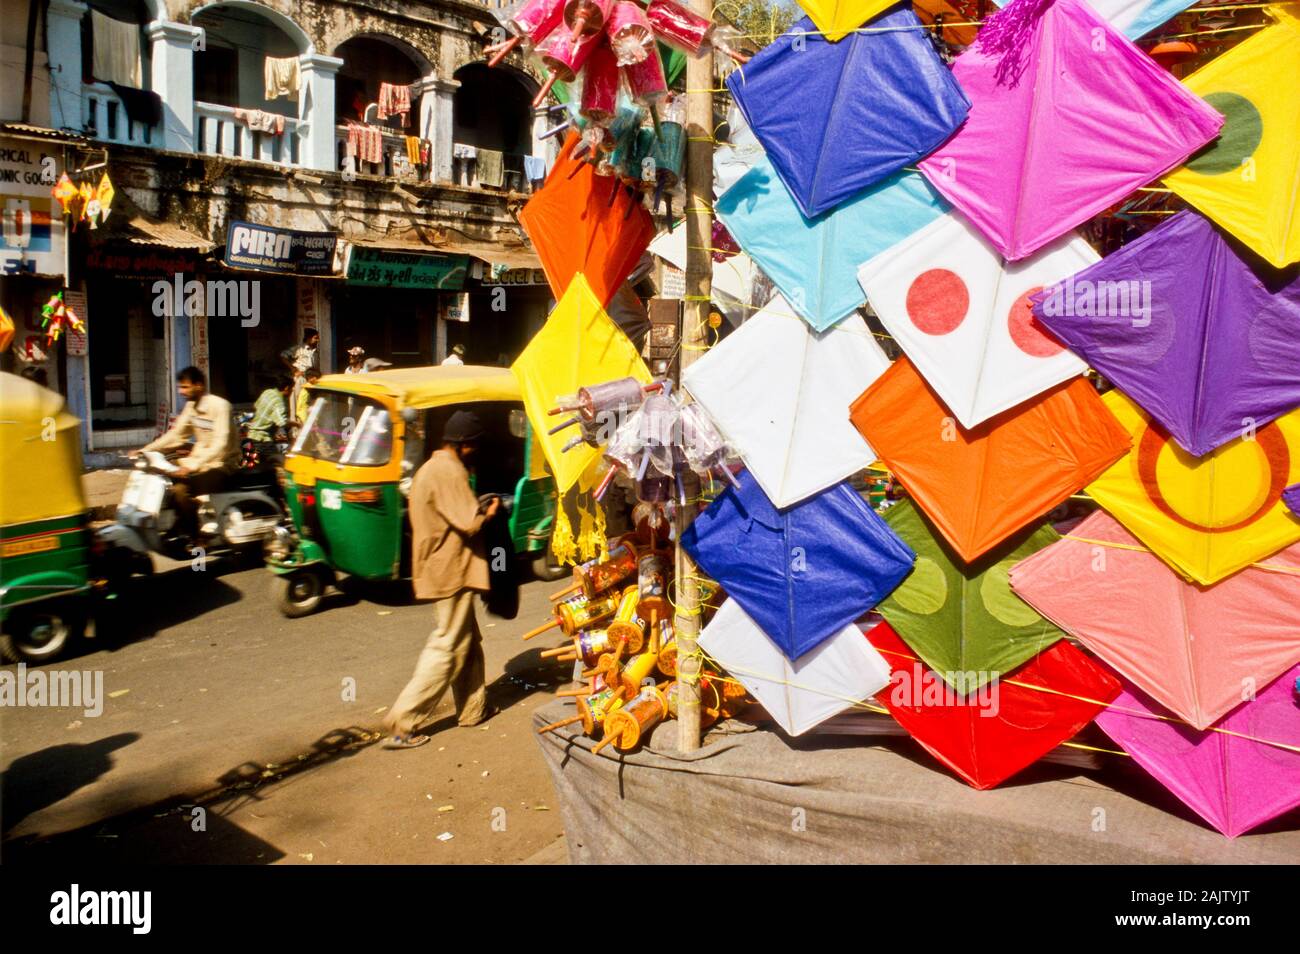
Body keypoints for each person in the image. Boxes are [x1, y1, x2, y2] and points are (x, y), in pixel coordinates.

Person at [383, 410, 501, 749]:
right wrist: (489, 511)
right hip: (452, 569)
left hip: (444, 565)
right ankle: (401, 723)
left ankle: (472, 710)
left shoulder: (429, 468)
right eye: (474, 446)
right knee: (447, 645)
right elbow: (469, 522)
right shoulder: (449, 471)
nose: (476, 452)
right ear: (464, 445)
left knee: (467, 641)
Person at [133, 366, 240, 539]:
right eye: (180, 387)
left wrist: (192, 466)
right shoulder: (191, 407)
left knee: (181, 491)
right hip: (199, 463)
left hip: (223, 465)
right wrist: (145, 450)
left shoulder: (221, 406)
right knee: (162, 477)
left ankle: (194, 534)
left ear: (199, 386)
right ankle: (179, 520)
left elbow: (220, 443)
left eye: (185, 387)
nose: (181, 391)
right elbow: (176, 435)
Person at [247, 376, 292, 465]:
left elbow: (256, 405)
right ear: (287, 388)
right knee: (279, 462)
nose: (292, 392)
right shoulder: (279, 402)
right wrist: (296, 424)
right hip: (263, 438)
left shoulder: (267, 392)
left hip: (252, 435)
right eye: (292, 389)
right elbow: (282, 422)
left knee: (262, 466)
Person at [281, 328, 319, 423]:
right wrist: (293, 369)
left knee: (307, 403)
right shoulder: (299, 349)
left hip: (310, 380)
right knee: (297, 403)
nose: (317, 340)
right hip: (300, 379)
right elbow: (283, 355)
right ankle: (296, 428)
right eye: (315, 338)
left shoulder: (315, 352)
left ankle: (305, 425)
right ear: (309, 338)